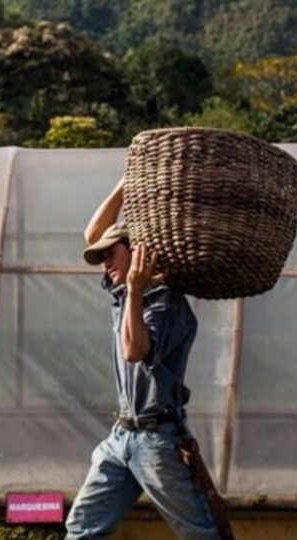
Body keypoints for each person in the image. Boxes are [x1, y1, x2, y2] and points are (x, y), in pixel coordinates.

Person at [64, 177, 220, 539]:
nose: (104, 264)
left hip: (158, 438)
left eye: (110, 255)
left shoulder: (166, 304)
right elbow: (93, 234)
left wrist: (135, 289)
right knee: (81, 529)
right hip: (122, 435)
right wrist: (125, 184)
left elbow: (134, 351)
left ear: (138, 254)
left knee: (199, 533)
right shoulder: (123, 293)